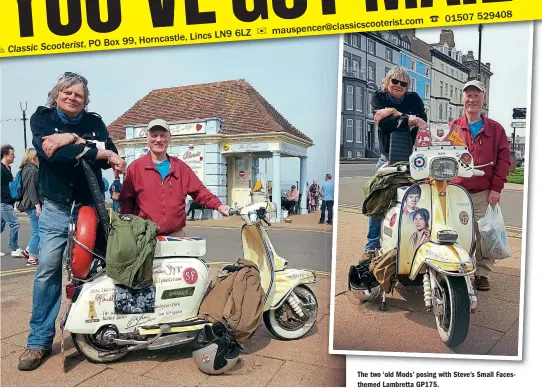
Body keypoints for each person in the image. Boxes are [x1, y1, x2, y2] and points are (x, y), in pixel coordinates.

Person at [18, 72, 126, 371]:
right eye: (67, 92)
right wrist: (94, 149)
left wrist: (74, 138)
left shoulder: (93, 121)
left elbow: (112, 156)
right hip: (56, 207)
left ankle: (93, 328)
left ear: (85, 99)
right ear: (56, 95)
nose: (72, 97)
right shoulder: (41, 118)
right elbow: (53, 155)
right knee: (48, 269)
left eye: (78, 94)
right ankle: (38, 341)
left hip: (90, 206)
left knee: (97, 269)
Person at [362, 66, 428, 262]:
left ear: (407, 86)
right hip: (387, 156)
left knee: (418, 199)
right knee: (377, 199)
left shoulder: (414, 99)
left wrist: (393, 114)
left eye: (403, 83)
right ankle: (371, 245)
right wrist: (408, 118)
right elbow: (384, 124)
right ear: (387, 81)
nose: (398, 86)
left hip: (413, 156)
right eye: (395, 81)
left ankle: (415, 239)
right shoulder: (379, 97)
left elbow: (422, 121)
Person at [449, 80, 511, 292]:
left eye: (477, 96)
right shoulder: (452, 128)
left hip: (484, 192)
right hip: (455, 191)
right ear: (462, 99)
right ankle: (460, 269)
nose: (472, 100)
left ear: (483, 100)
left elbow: (504, 160)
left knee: (484, 234)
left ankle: (482, 274)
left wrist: (496, 188)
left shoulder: (496, 129)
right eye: (468, 95)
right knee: (457, 233)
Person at [119, 119, 229, 236]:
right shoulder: (136, 168)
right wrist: (127, 229)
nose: (159, 140)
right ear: (147, 138)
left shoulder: (180, 167)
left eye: (163, 135)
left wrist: (219, 205)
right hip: (144, 235)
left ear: (169, 138)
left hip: (175, 235)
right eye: (154, 135)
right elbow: (126, 202)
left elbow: (200, 191)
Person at [16, 148, 41, 266]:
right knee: (38, 231)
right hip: (32, 204)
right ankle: (32, 257)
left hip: (27, 203)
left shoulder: (24, 169)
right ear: (33, 157)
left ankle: (27, 251)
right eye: (37, 156)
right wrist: (38, 206)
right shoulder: (32, 170)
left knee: (37, 230)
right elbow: (31, 190)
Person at [1, 144, 24, 258]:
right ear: (5, 155)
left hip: (7, 201)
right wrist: (7, 195)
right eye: (12, 155)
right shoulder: (0, 168)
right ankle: (14, 248)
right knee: (14, 223)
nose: (14, 157)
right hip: (3, 202)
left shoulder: (8, 168)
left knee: (0, 226)